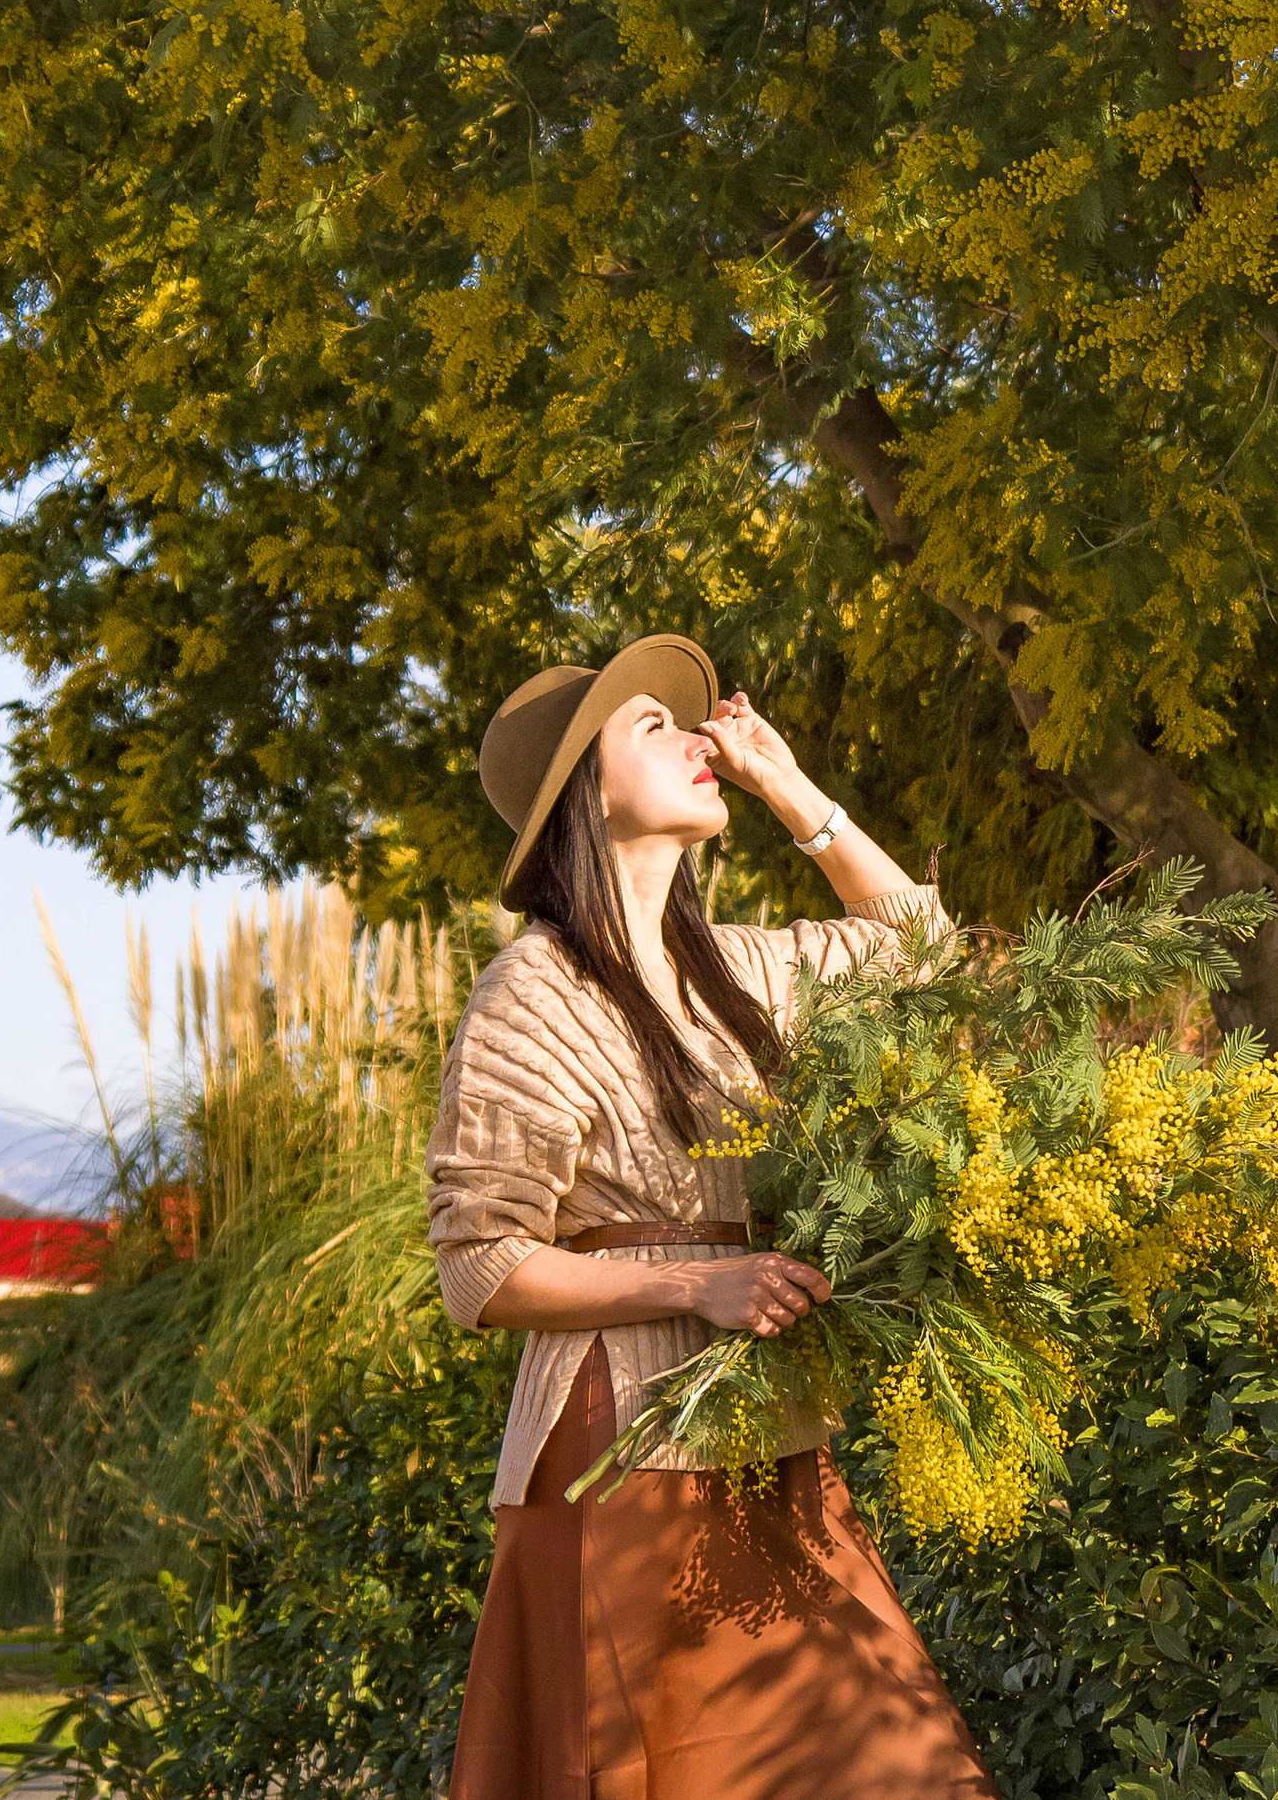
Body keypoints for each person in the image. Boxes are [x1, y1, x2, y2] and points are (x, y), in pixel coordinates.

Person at [426, 632, 999, 1800]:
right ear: (585, 793)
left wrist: (787, 786)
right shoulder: (529, 994)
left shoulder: (736, 969)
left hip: (763, 1423)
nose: (695, 739)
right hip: (621, 1445)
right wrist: (693, 1284)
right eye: (653, 728)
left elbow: (924, 953)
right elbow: (479, 1268)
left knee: (896, 1763)